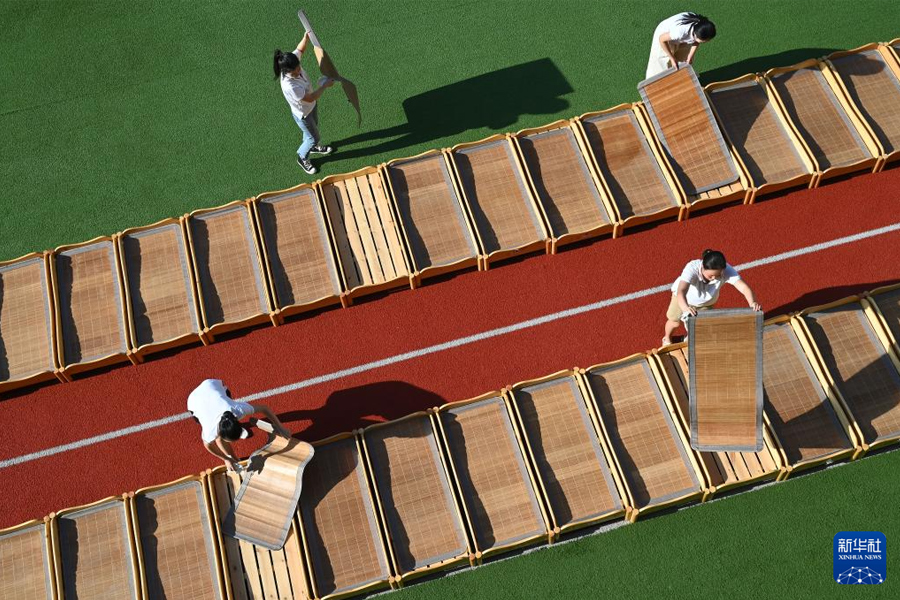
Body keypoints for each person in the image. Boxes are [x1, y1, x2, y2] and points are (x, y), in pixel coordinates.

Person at [187, 379, 292, 473]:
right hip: (194, 401)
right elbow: (208, 445)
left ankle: (231, 450)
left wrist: (280, 427)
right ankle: (234, 458)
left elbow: (264, 408)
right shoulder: (210, 430)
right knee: (218, 439)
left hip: (212, 385)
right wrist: (226, 459)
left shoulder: (238, 409)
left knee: (220, 438)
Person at [663, 249, 761, 346]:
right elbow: (681, 291)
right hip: (683, 300)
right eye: (711, 276)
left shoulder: (726, 270)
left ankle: (688, 339)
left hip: (705, 304)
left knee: (698, 330)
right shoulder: (692, 268)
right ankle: (667, 338)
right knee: (674, 322)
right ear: (703, 267)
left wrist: (752, 302)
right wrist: (686, 309)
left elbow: (744, 288)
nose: (714, 278)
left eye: (718, 275)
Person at [274, 31, 335, 175]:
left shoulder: (293, 61)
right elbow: (311, 97)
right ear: (287, 71)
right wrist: (325, 86)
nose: (299, 69)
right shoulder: (290, 86)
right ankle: (302, 157)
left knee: (312, 131)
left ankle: (312, 147)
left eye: (299, 66)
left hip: (310, 107)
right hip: (303, 113)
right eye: (295, 70)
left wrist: (305, 37)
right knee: (314, 137)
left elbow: (300, 49)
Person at [645, 12, 717, 79]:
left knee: (683, 61)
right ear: (697, 36)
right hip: (664, 36)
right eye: (706, 40)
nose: (708, 41)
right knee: (662, 63)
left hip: (682, 37)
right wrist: (672, 58)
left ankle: (681, 80)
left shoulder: (701, 26)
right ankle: (654, 83)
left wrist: (690, 56)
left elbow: (696, 42)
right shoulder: (679, 32)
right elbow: (661, 39)